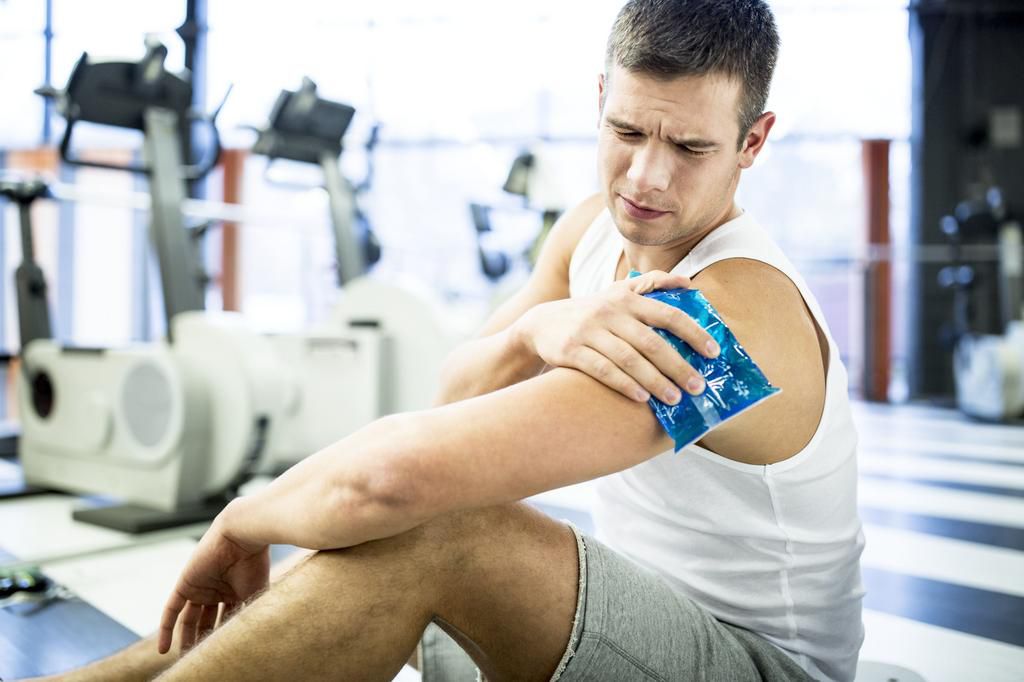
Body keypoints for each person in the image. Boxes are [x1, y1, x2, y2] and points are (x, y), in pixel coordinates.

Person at [40, 1, 864, 680]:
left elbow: (395, 478)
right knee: (434, 512)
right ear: (600, 98)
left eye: (690, 147)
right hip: (644, 613)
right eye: (627, 132)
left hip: (760, 665)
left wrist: (243, 522)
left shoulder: (731, 314)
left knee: (440, 526)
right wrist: (539, 329)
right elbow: (455, 394)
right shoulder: (590, 235)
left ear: (752, 142)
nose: (647, 176)